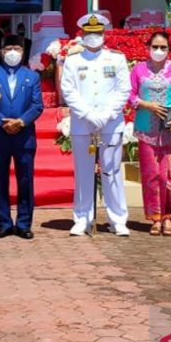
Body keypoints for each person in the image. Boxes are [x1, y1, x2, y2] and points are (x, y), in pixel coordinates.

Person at [58, 13, 132, 237]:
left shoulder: (116, 59)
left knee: (112, 171)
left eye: (97, 33)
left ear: (104, 34)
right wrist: (89, 114)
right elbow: (68, 90)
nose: (93, 37)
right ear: (82, 35)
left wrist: (107, 114)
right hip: (83, 124)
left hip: (111, 124)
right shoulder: (73, 61)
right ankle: (82, 217)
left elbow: (123, 90)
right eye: (89, 34)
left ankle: (118, 219)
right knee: (83, 172)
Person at [0, 34, 44, 239]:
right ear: (1, 52)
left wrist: (21, 122)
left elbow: (37, 105)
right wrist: (2, 122)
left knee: (25, 180)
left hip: (24, 136)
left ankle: (24, 223)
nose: (13, 52)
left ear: (23, 52)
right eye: (9, 49)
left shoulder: (32, 76)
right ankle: (4, 223)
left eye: (17, 48)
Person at [129, 30, 171, 236]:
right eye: (155, 47)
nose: (158, 51)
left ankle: (170, 217)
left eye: (162, 47)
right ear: (148, 48)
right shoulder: (138, 69)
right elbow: (128, 94)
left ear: (169, 50)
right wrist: (145, 104)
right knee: (151, 174)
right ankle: (154, 217)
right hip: (146, 128)